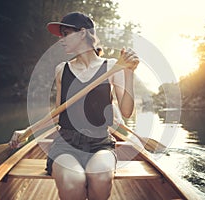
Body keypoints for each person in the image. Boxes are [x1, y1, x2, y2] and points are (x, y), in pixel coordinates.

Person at [9, 12, 139, 200]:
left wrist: (129, 73)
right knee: (73, 180)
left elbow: (127, 112)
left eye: (66, 33)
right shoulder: (62, 69)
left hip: (100, 143)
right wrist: (26, 131)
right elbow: (57, 114)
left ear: (82, 33)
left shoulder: (112, 66)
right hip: (66, 143)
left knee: (101, 177)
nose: (61, 40)